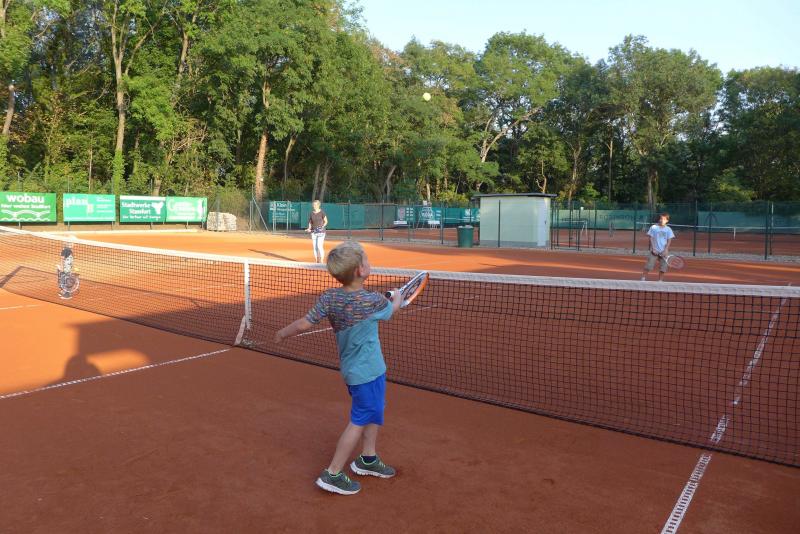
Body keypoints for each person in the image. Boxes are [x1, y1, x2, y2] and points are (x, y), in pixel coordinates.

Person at [275, 241, 402, 495]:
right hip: (367, 372)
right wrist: (398, 296)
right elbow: (393, 309)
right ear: (360, 270)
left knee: (374, 411)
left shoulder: (330, 297)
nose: (369, 263)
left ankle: (368, 458)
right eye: (366, 260)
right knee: (360, 419)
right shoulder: (372, 301)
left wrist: (281, 333)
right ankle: (332, 473)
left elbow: (303, 324)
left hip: (356, 371)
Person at [641, 213, 675, 281]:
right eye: (661, 218)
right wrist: (653, 249)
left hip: (664, 252)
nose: (662, 220)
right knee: (648, 266)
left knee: (663, 268)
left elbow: (669, 240)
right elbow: (651, 238)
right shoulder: (654, 227)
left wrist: (666, 250)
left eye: (664, 219)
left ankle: (660, 281)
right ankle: (643, 279)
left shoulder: (668, 229)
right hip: (654, 251)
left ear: (667, 221)